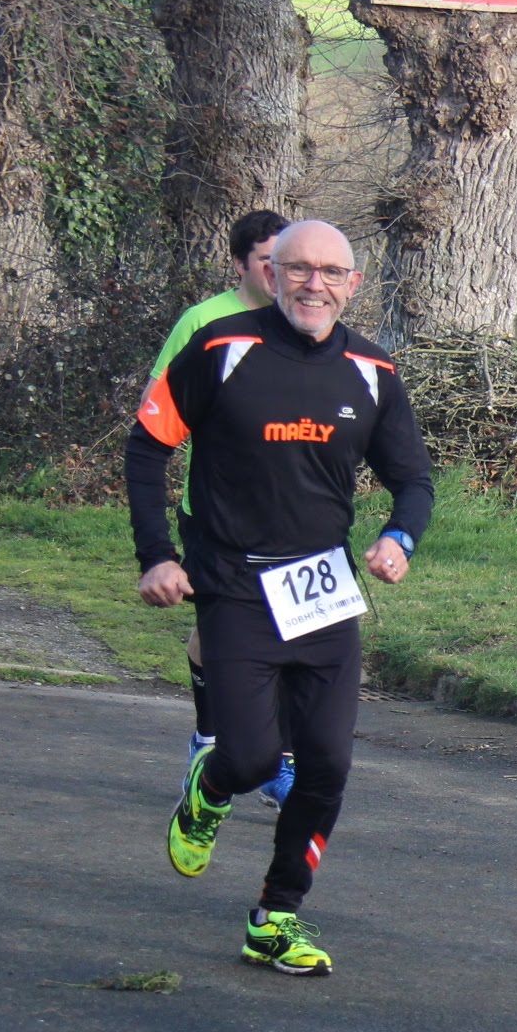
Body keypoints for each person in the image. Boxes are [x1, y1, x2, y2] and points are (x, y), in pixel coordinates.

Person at [124, 219, 434, 977]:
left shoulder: (372, 370)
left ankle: (276, 916)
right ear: (272, 275)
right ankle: (211, 787)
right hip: (233, 582)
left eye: (330, 273)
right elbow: (148, 447)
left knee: (326, 763)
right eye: (298, 269)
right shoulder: (221, 348)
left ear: (353, 285)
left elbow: (413, 480)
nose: (313, 285)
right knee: (253, 756)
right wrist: (157, 555)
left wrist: (399, 537)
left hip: (322, 589)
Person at [147, 209, 295, 811]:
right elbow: (156, 410)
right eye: (266, 261)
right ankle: (208, 737)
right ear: (239, 265)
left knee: (293, 630)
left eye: (287, 261)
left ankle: (279, 763)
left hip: (293, 516)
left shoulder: (309, 324)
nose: (280, 273)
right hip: (213, 514)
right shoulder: (204, 322)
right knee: (220, 631)